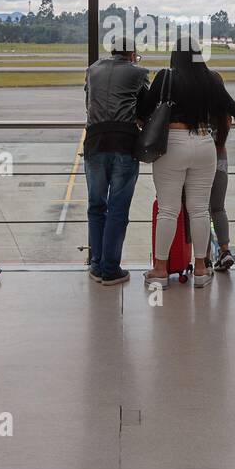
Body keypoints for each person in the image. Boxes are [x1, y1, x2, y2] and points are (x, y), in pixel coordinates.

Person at [137, 36, 235, 290]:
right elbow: (232, 108)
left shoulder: (166, 77)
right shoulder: (210, 79)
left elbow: (143, 111)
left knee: (169, 210)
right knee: (200, 210)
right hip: (205, 144)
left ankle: (160, 269)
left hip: (174, 143)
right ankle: (202, 269)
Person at [83, 35, 149, 286]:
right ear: (132, 54)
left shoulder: (92, 70)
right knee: (118, 208)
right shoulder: (138, 72)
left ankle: (97, 263)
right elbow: (146, 107)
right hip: (124, 143)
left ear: (112, 52)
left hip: (95, 142)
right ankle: (110, 269)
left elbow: (88, 104)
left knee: (96, 206)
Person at [211, 73, 235, 271]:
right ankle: (225, 250)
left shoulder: (200, 107)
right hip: (221, 159)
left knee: (199, 210)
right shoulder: (225, 111)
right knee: (218, 208)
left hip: (202, 159)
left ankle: (203, 256)